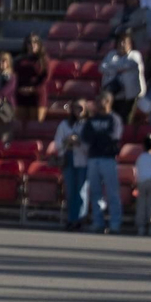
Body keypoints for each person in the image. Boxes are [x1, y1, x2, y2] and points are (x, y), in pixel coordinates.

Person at [79, 92, 125, 233]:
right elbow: (85, 137)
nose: (99, 103)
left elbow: (113, 137)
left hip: (108, 159)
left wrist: (96, 136)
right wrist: (100, 136)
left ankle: (115, 223)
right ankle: (98, 222)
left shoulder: (114, 119)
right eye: (97, 101)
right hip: (93, 158)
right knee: (95, 192)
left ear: (108, 101)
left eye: (102, 101)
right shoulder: (91, 120)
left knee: (112, 192)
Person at [54, 98, 90, 231]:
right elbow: (57, 142)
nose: (78, 110)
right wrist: (67, 141)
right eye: (76, 107)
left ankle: (80, 219)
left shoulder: (88, 125)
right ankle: (71, 218)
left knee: (81, 191)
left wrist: (79, 142)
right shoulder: (65, 124)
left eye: (81, 107)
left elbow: (90, 144)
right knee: (70, 190)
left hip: (83, 159)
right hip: (68, 158)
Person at [100, 32, 144, 123]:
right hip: (114, 93)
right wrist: (118, 69)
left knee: (125, 119)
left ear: (130, 44)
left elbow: (131, 65)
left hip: (129, 95)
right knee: (112, 118)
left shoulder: (135, 54)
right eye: (120, 42)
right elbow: (102, 67)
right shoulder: (111, 54)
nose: (122, 44)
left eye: (124, 42)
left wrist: (113, 67)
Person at [131, 134, 151, 236]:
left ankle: (141, 226)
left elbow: (137, 171)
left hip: (142, 182)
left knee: (141, 204)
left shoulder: (140, 158)